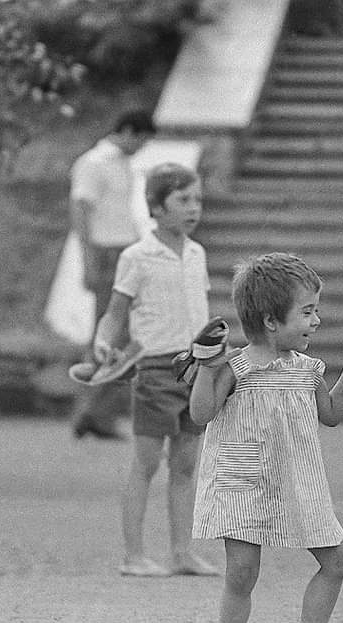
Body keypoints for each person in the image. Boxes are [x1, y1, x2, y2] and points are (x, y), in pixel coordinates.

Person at [188, 252, 343, 623]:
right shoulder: (235, 367)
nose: (316, 321)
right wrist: (204, 366)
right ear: (272, 321)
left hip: (298, 481)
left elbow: (331, 413)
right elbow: (201, 415)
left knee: (338, 559)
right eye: (307, 312)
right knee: (242, 570)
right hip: (242, 482)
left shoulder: (307, 369)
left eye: (316, 311)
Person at [92, 162, 219, 578]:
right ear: (156, 207)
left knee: (185, 466)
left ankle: (183, 553)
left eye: (197, 200)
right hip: (154, 370)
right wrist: (104, 342)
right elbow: (114, 313)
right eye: (182, 200)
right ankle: (134, 555)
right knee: (146, 463)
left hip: (196, 369)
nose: (193, 208)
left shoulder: (198, 254)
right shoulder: (137, 256)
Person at [69, 110, 156, 440]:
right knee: (110, 332)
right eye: (142, 140)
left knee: (123, 335)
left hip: (124, 250)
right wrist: (88, 259)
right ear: (128, 131)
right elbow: (81, 210)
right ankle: (91, 412)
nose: (141, 148)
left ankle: (96, 412)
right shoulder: (94, 163)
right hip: (106, 252)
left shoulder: (120, 163)